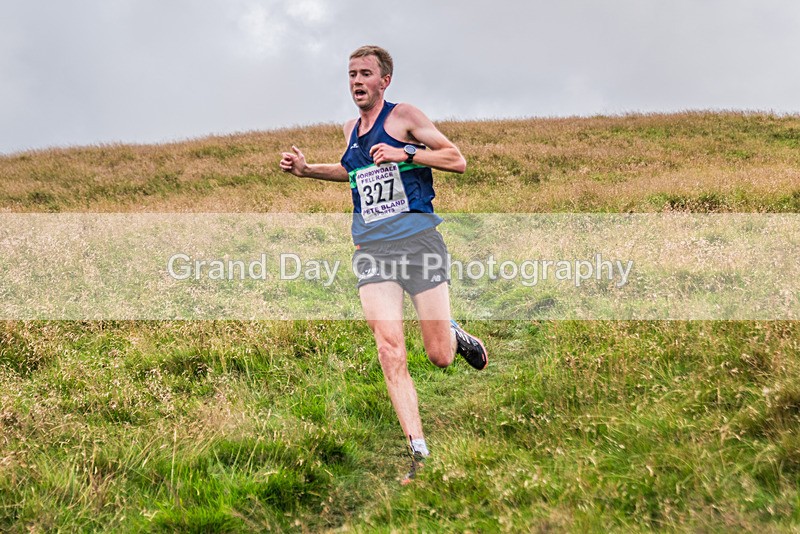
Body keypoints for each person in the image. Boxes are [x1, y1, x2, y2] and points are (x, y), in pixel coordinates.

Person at [280, 45, 487, 484]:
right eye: (351, 74)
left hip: (419, 244)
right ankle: (419, 450)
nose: (357, 81)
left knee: (440, 358)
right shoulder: (350, 129)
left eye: (365, 74)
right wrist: (306, 170)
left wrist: (406, 154)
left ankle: (450, 333)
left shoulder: (405, 116)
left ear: (384, 81)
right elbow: (350, 170)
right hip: (371, 250)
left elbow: (457, 160)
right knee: (389, 348)